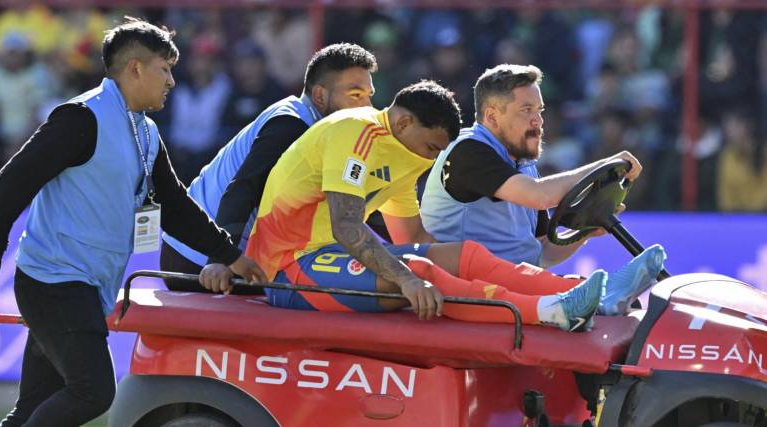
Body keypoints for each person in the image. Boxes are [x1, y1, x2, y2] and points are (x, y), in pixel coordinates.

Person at [0, 18, 266, 426]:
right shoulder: (81, 117)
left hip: (81, 283)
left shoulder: (146, 131)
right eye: (164, 68)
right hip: (55, 281)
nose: (172, 80)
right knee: (93, 391)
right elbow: (15, 179)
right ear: (135, 68)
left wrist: (229, 254)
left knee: (34, 407)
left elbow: (172, 205)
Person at [243, 80, 665, 333]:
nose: (431, 161)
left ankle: (600, 294)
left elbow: (414, 240)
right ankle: (550, 312)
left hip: (327, 256)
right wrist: (410, 281)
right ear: (405, 123)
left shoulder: (407, 154)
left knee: (461, 255)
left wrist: (458, 266)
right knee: (421, 273)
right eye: (430, 148)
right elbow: (347, 228)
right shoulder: (355, 132)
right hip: (288, 266)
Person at [159, 43, 377, 292]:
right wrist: (221, 259)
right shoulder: (292, 125)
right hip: (198, 261)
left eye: (369, 94)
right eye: (356, 95)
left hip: (210, 253)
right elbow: (242, 189)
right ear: (320, 96)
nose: (368, 107)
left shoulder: (320, 129)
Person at [421, 64, 653, 271]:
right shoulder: (468, 150)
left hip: (513, 285)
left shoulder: (523, 163)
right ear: (492, 117)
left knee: (590, 295)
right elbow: (539, 195)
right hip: (469, 289)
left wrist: (586, 231)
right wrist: (605, 164)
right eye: (526, 110)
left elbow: (542, 252)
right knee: (586, 294)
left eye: (539, 110)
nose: (538, 120)